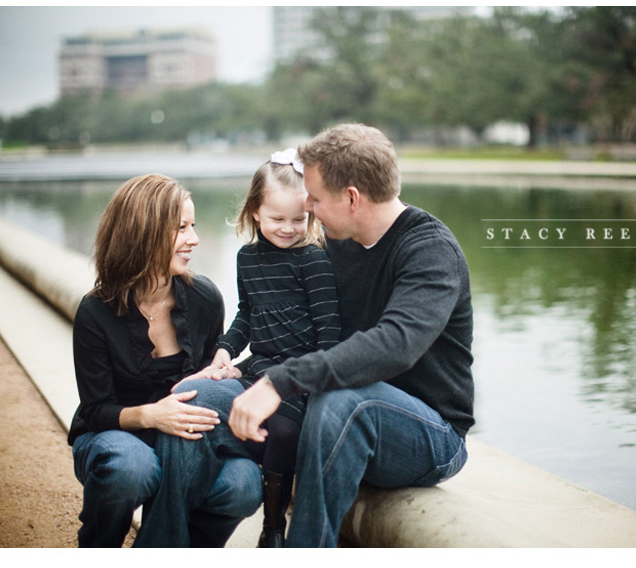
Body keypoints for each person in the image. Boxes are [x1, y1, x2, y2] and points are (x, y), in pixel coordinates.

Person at [139, 123, 474, 547]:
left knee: (343, 399)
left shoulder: (429, 250)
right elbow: (279, 318)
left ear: (351, 198)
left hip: (428, 435)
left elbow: (396, 344)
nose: (308, 210)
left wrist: (281, 380)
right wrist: (234, 364)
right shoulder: (331, 244)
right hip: (324, 413)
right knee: (193, 399)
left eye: (314, 199)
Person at [68, 174, 262, 548]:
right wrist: (151, 415)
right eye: (181, 229)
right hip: (117, 435)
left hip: (186, 443)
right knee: (131, 468)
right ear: (142, 233)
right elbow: (96, 410)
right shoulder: (96, 312)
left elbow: (205, 392)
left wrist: (225, 374)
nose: (194, 238)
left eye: (193, 226)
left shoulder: (205, 298)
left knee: (244, 483)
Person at [210, 148, 340, 546]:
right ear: (254, 212)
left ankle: (272, 528)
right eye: (276, 219)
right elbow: (246, 315)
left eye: (299, 219)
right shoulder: (247, 259)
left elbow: (329, 332)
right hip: (259, 364)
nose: (288, 228)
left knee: (282, 431)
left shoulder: (312, 260)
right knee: (208, 399)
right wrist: (224, 350)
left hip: (300, 371)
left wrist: (314, 383)